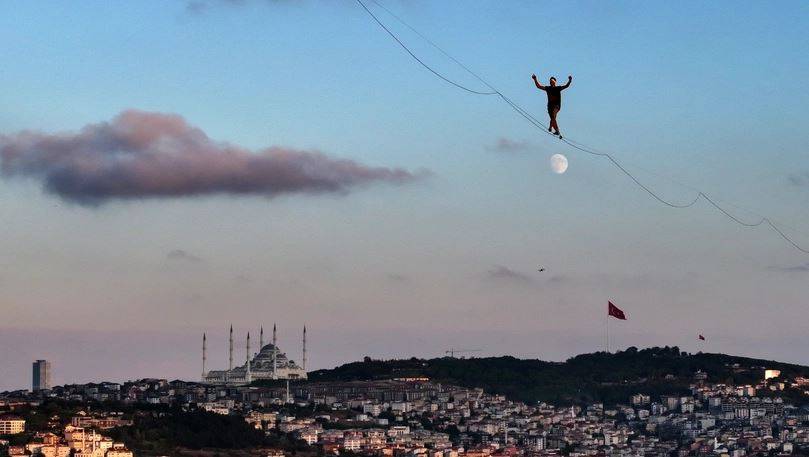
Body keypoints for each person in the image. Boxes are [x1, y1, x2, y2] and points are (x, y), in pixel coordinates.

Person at [532, 73, 572, 138]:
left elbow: (566, 86)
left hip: (557, 106)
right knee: (553, 118)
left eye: (552, 81)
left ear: (555, 82)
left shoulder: (558, 88)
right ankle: (553, 128)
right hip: (550, 106)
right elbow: (538, 86)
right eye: (550, 81)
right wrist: (535, 79)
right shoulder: (548, 88)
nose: (551, 82)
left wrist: (569, 80)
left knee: (553, 116)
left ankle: (555, 130)